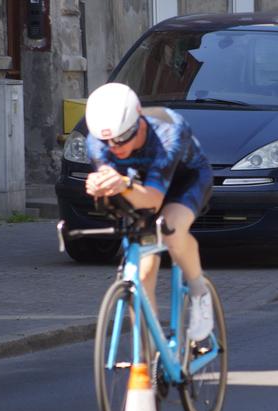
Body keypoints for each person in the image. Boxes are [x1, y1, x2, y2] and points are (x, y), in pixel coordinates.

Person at [84, 82, 214, 340]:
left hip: (184, 182)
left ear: (139, 121)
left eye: (121, 138)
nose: (114, 146)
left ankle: (200, 292)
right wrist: (99, 185)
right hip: (136, 185)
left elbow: (153, 201)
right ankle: (149, 357)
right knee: (141, 275)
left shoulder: (168, 131)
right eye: (106, 141)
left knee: (171, 230)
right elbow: (112, 182)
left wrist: (121, 183)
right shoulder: (98, 141)